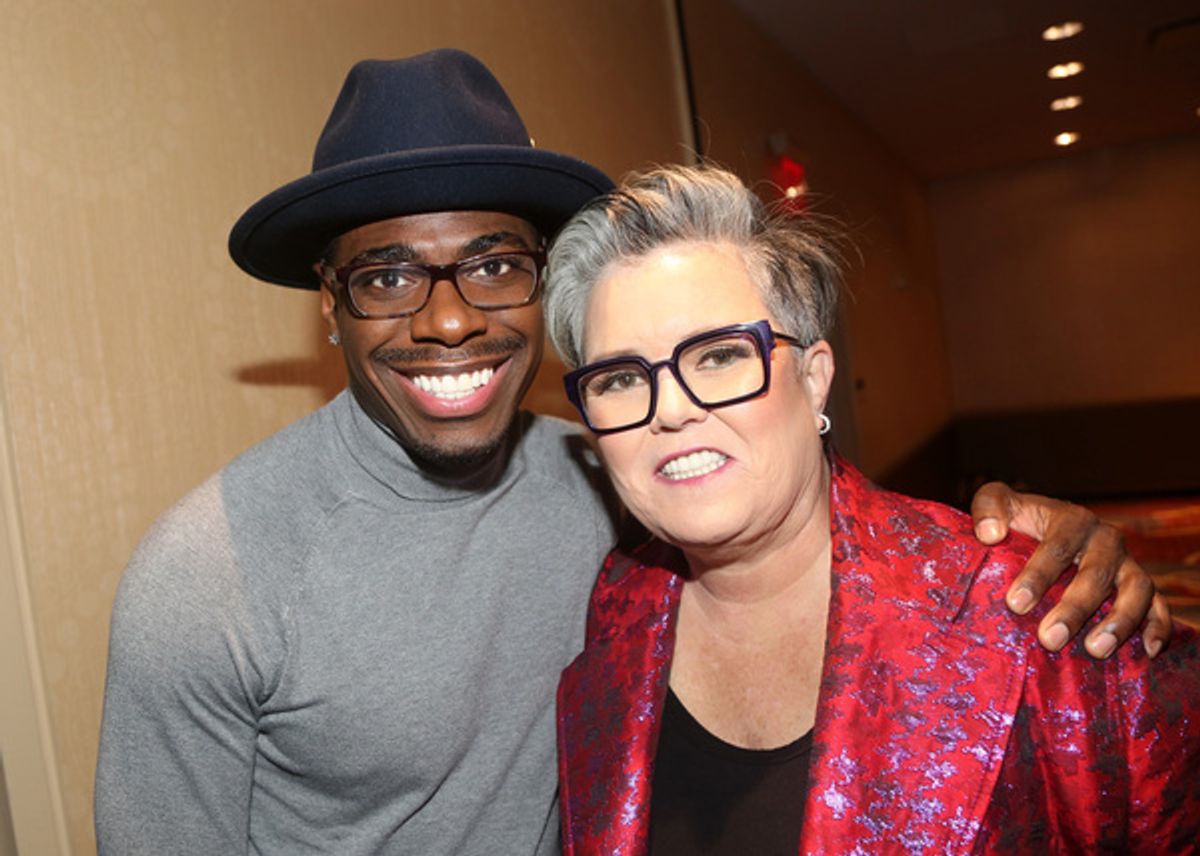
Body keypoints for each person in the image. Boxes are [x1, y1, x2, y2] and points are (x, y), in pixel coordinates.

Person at [94, 51, 1168, 855]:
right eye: (384, 277)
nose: (451, 322)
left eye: (495, 265)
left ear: (815, 370)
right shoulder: (206, 579)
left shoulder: (612, 485)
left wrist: (1024, 533)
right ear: (328, 309)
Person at [547, 164, 1200, 854]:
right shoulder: (615, 608)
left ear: (815, 378)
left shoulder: (1029, 610)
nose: (672, 411)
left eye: (718, 356)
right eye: (620, 377)